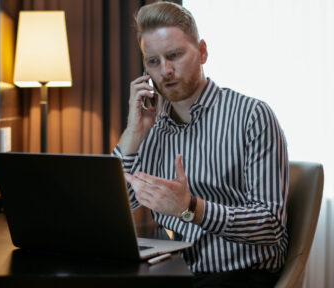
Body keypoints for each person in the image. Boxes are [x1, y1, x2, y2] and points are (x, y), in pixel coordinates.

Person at [113, 2, 289, 287]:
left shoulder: (252, 115)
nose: (165, 70)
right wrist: (134, 131)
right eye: (153, 61)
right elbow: (121, 203)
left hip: (240, 275)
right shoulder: (153, 124)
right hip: (176, 271)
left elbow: (271, 226)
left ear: (203, 51)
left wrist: (191, 207)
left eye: (174, 55)